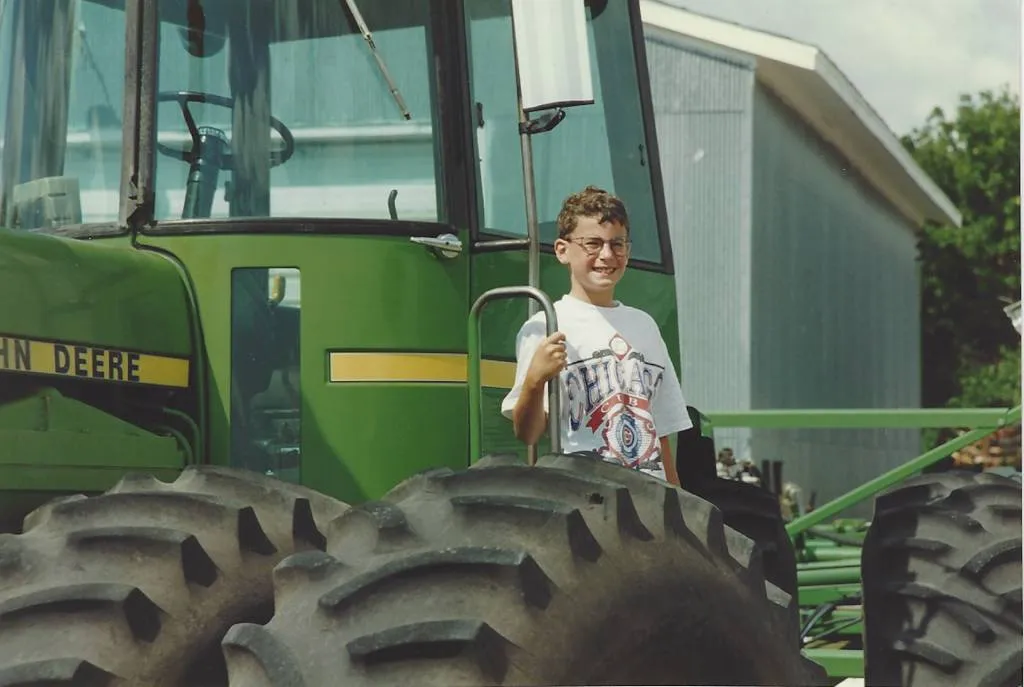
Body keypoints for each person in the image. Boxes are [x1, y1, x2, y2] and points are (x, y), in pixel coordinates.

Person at [500, 185, 692, 485]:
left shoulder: (646, 326)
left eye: (617, 244)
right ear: (562, 250)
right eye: (592, 243)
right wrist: (535, 380)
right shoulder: (545, 326)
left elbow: (662, 432)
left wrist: (678, 505)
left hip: (649, 496)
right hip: (583, 495)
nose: (607, 255)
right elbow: (529, 434)